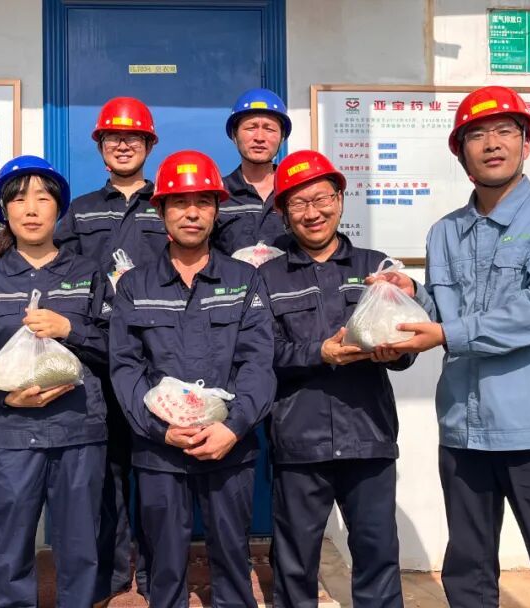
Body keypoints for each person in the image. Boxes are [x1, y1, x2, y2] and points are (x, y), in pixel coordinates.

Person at [388, 85, 530, 608]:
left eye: (505, 131)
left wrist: (447, 334)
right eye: (477, 135)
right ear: (461, 154)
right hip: (463, 425)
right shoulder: (445, 232)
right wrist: (410, 296)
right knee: (468, 571)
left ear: (526, 143)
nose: (492, 144)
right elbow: (446, 311)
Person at [257, 150, 435, 607]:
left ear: (339, 199)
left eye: (321, 198)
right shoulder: (267, 278)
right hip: (299, 441)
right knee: (294, 562)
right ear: (283, 213)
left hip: (368, 436)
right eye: (299, 203)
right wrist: (319, 353)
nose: (312, 213)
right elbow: (261, 353)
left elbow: (405, 345)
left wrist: (396, 351)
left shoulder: (376, 270)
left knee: (377, 555)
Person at [109, 150, 276, 608]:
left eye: (203, 202)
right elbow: (125, 368)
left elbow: (259, 362)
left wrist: (233, 428)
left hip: (230, 448)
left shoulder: (244, 280)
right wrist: (160, 430)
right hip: (160, 452)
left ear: (216, 210)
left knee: (233, 558)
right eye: (179, 202)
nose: (192, 213)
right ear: (161, 211)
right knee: (164, 566)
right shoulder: (135, 285)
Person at [0, 155, 111, 608]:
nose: (32, 208)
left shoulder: (87, 273)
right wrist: (2, 394)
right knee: (6, 546)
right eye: (19, 199)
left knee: (80, 545)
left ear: (59, 207)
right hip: (10, 434)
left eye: (43, 197)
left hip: (78, 430)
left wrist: (70, 329)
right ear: (4, 210)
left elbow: (119, 345)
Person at [53, 95, 163, 602]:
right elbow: (60, 274)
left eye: (133, 137)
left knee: (160, 470)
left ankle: (159, 574)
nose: (123, 144)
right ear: (100, 145)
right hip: (97, 357)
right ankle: (116, 577)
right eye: (113, 137)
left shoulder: (168, 202)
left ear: (149, 145)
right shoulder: (80, 210)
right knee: (107, 473)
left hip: (161, 354)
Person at [213, 88, 292, 255]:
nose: (260, 138)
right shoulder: (217, 195)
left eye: (269, 129)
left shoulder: (295, 192)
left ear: (282, 137)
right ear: (234, 135)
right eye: (251, 128)